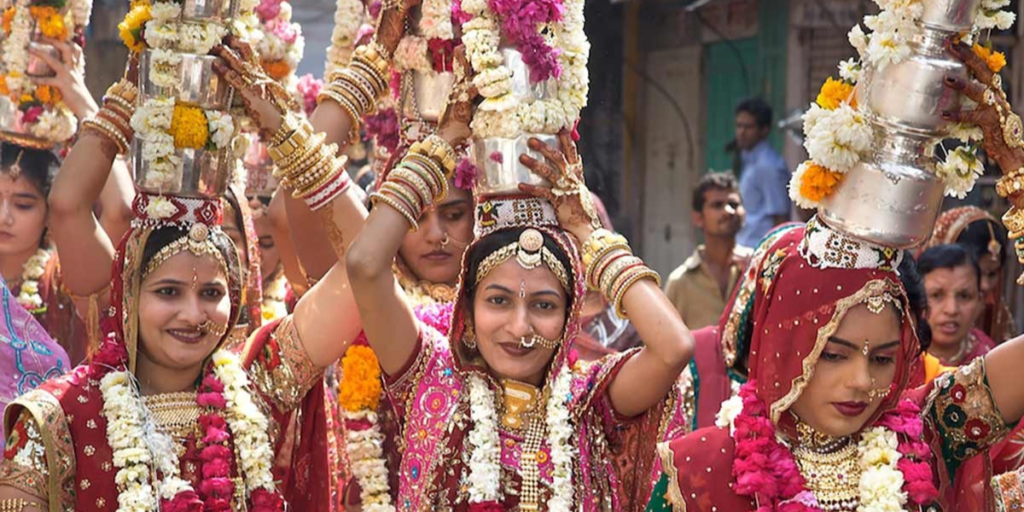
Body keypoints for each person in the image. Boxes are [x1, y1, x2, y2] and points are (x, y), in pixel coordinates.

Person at [0, 0, 418, 502]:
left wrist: (280, 124)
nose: (193, 314)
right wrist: (131, 92)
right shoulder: (59, 421)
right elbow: (67, 203)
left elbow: (365, 265)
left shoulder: (258, 386)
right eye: (169, 291)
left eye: (212, 292)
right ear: (128, 292)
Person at [646, 40, 1024, 512]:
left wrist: (1014, 164)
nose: (862, 382)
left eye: (884, 359)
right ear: (784, 343)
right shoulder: (702, 470)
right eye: (833, 354)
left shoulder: (926, 438)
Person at [343, 43, 695, 507]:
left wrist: (585, 229)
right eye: (499, 300)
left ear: (572, 317)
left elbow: (674, 348)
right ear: (466, 309)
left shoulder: (588, 405)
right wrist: (442, 146)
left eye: (544, 306)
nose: (519, 327)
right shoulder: (431, 380)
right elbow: (365, 265)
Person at [664, 172, 750, 330]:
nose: (728, 211)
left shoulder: (759, 267)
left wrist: (754, 276)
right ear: (698, 218)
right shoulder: (680, 282)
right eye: (717, 205)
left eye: (734, 204)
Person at [925, 206, 1014, 341]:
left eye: (992, 274)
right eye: (978, 272)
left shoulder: (998, 319)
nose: (985, 285)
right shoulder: (907, 327)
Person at [919, 244, 994, 366]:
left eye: (964, 296)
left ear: (980, 302)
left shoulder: (989, 361)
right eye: (936, 295)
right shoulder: (896, 356)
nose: (951, 309)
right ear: (916, 300)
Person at [733, 98, 791, 248]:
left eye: (748, 127)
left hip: (760, 252)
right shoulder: (750, 160)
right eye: (739, 126)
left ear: (764, 130)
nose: (741, 132)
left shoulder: (769, 165)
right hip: (745, 248)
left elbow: (780, 218)